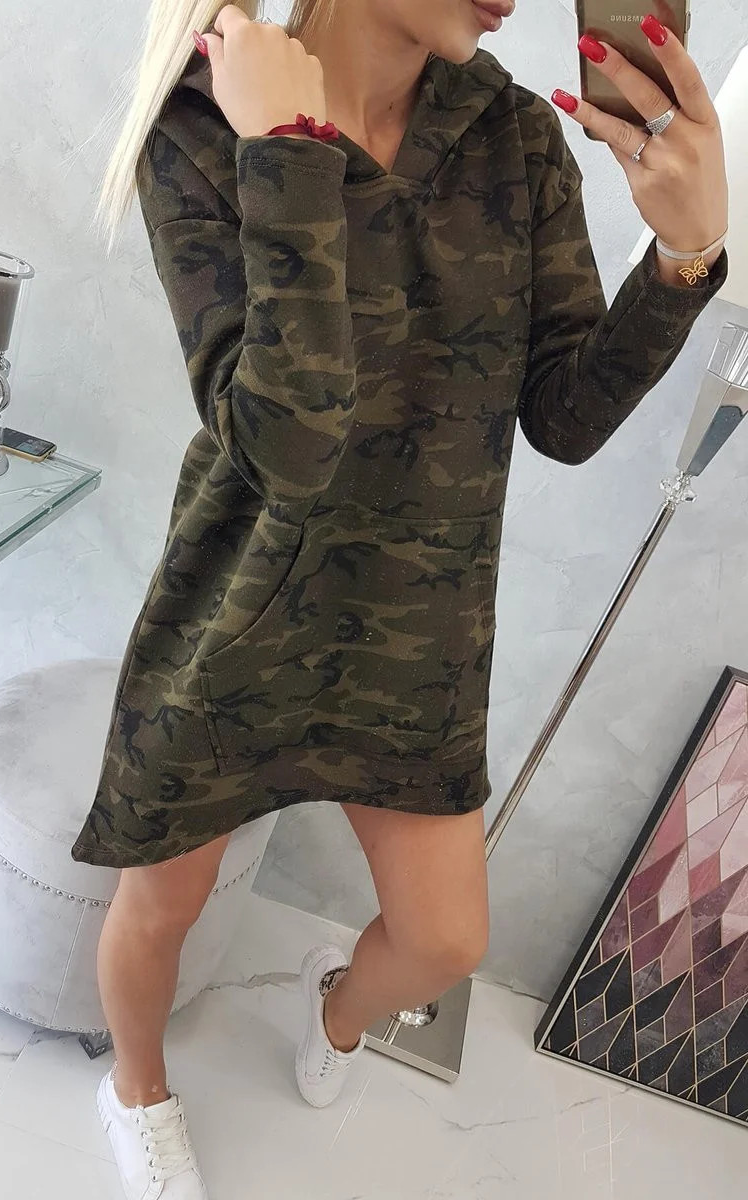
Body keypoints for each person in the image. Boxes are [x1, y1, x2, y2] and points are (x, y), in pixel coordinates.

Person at [76, 1, 729, 1195]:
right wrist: (286, 152)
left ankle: (334, 1011)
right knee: (159, 903)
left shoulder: (511, 137)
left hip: (420, 628)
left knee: (443, 940)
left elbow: (563, 416)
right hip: (240, 610)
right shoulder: (203, 121)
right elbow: (287, 443)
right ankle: (134, 1088)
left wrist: (681, 260)